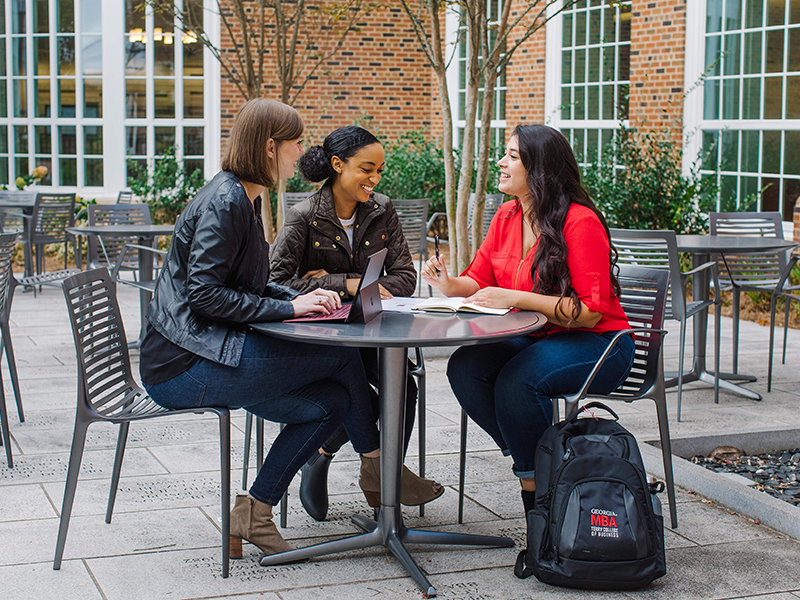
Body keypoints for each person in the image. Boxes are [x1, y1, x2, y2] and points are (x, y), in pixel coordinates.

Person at [141, 99, 377, 560]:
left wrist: (293, 298)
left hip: (206, 350)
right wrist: (290, 311)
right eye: (295, 144)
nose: (299, 154)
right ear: (271, 147)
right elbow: (205, 295)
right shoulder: (226, 202)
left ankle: (255, 509)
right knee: (343, 354)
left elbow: (244, 282)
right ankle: (378, 469)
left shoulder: (242, 195)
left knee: (333, 399)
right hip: (183, 365)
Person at [421, 124, 635, 515]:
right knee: (467, 366)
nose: (501, 162)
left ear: (539, 169)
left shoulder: (579, 222)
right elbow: (479, 280)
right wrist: (450, 285)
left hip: (601, 344)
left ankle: (538, 498)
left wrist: (515, 297)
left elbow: (589, 313)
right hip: (541, 338)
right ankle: (542, 459)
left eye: (512, 156)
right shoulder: (506, 215)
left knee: (518, 381)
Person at [270, 125, 441, 521]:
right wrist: (349, 283)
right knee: (359, 395)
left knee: (403, 388)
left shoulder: (381, 209)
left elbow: (404, 277)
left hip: (369, 330)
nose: (375, 180)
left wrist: (329, 281)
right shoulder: (305, 216)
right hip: (321, 339)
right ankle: (372, 476)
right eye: (367, 169)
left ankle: (362, 472)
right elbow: (275, 283)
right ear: (337, 165)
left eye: (380, 170)